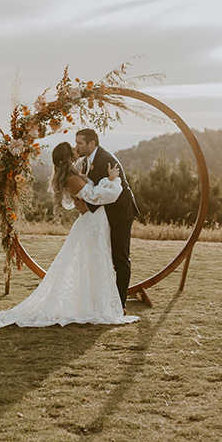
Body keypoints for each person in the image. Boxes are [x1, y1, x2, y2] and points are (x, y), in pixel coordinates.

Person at [0, 142, 138, 329]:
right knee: (96, 261)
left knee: (93, 262)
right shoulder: (72, 178)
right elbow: (96, 196)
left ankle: (96, 302)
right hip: (94, 222)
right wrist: (112, 179)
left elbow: (83, 196)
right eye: (73, 148)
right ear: (69, 158)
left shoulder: (71, 176)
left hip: (91, 221)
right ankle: (98, 306)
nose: (76, 148)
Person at [74, 128, 141, 311]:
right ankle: (106, 298)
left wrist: (88, 206)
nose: (76, 146)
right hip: (105, 215)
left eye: (80, 143)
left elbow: (110, 193)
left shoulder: (107, 160)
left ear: (92, 144)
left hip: (120, 214)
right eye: (76, 142)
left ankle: (120, 303)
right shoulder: (87, 161)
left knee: (120, 258)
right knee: (104, 256)